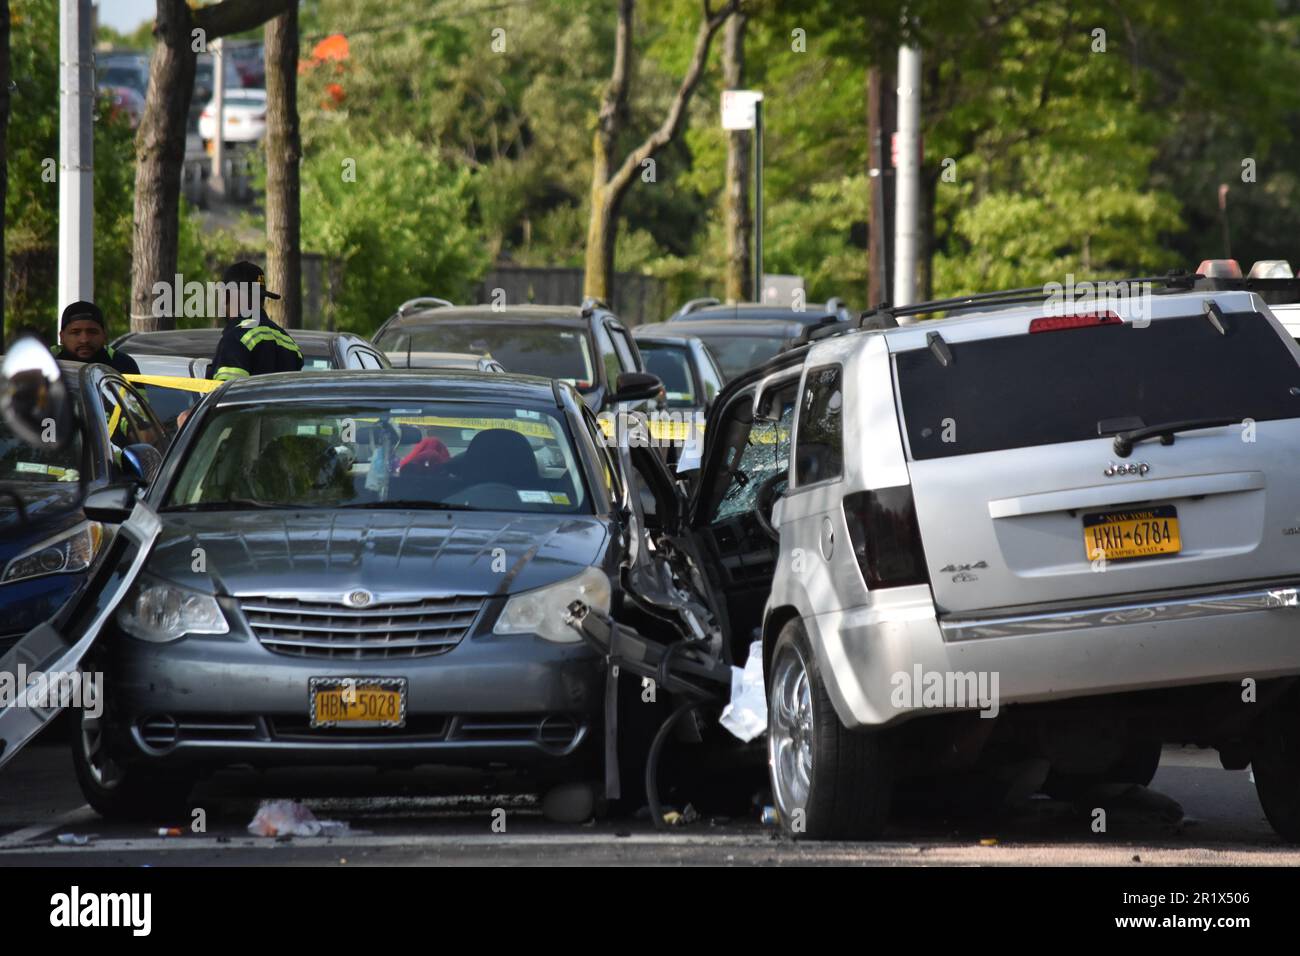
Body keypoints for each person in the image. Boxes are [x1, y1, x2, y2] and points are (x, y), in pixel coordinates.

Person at [208, 261, 304, 382]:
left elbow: (227, 397)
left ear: (226, 296)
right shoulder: (288, 342)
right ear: (262, 299)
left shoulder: (236, 340)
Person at [52, 300, 141, 375]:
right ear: (62, 337)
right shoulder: (45, 361)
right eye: (76, 332)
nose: (84, 340)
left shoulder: (123, 364)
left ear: (104, 335)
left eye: (92, 332)